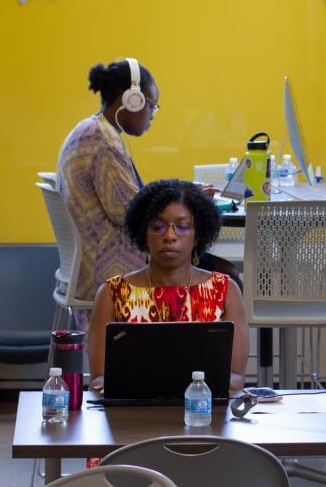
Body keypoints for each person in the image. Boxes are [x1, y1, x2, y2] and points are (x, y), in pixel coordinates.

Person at [88, 179, 248, 392]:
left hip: (204, 414)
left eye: (182, 226)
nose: (170, 236)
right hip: (132, 417)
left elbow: (235, 378)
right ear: (143, 234)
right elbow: (99, 379)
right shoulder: (112, 294)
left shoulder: (226, 291)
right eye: (157, 227)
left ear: (198, 234)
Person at [56, 58, 157, 301]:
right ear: (132, 100)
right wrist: (185, 202)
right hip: (109, 271)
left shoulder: (90, 129)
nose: (152, 115)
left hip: (88, 266)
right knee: (220, 276)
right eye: (152, 105)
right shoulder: (103, 142)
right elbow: (131, 214)